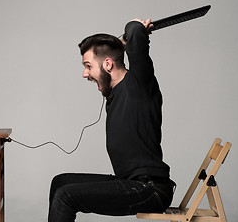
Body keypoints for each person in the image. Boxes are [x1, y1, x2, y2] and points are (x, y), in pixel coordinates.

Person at [48, 18, 175, 222]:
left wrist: (136, 32)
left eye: (88, 66)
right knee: (60, 183)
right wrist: (123, 44)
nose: (84, 74)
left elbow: (133, 29)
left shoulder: (139, 86)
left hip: (150, 189)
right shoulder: (114, 93)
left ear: (108, 64)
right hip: (128, 182)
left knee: (66, 196)